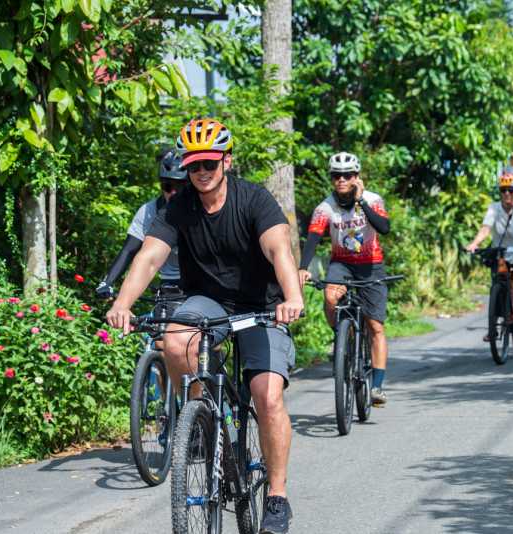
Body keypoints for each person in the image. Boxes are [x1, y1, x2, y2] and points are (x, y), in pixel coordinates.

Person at [105, 118, 303, 534]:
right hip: (208, 301)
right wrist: (123, 303)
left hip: (261, 305)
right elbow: (150, 257)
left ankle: (278, 497)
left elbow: (278, 248)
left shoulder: (254, 200)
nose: (201, 173)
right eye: (194, 166)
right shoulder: (180, 207)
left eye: (209, 164)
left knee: (266, 396)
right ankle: (202, 418)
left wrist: (292, 297)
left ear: (226, 162)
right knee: (175, 340)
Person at [298, 152, 392, 405]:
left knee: (375, 326)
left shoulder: (372, 199)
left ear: (357, 177)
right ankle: (341, 339)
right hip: (342, 264)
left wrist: (361, 201)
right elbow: (313, 239)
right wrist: (303, 268)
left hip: (371, 265)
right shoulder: (324, 208)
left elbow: (384, 228)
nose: (342, 180)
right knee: (330, 297)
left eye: (348, 175)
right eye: (336, 175)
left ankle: (377, 387)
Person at [96, 150, 187, 297]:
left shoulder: (201, 209)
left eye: (180, 187)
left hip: (200, 282)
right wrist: (107, 282)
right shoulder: (149, 211)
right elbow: (129, 250)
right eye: (168, 187)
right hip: (169, 284)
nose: (173, 193)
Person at [465, 172, 513, 322]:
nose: (506, 193)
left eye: (510, 190)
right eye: (503, 190)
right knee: (498, 283)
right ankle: (495, 326)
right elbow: (486, 228)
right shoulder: (494, 208)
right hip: (501, 253)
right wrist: (474, 243)